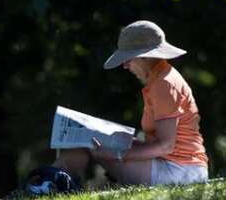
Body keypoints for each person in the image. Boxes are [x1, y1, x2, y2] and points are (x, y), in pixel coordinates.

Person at [52, 20, 208, 186]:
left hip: (180, 172)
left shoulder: (164, 84)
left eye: (128, 59)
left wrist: (118, 154)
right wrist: (125, 145)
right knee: (92, 142)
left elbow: (166, 146)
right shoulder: (160, 79)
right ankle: (52, 181)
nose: (125, 66)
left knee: (89, 146)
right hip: (177, 166)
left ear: (146, 55)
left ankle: (51, 183)